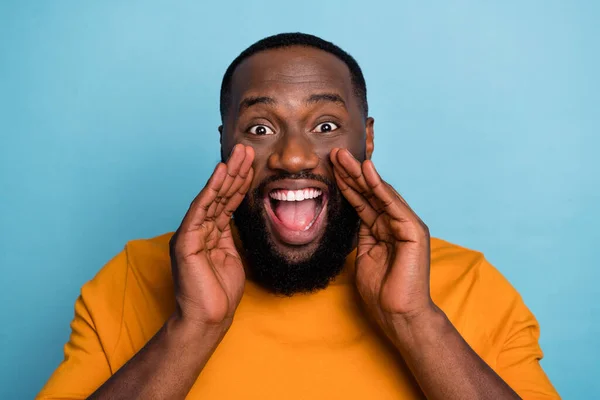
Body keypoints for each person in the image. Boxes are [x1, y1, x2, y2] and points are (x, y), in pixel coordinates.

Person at [37, 33, 559, 400]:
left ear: (368, 137)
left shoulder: (473, 285)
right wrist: (193, 327)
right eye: (259, 129)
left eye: (326, 124)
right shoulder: (132, 278)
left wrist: (415, 323)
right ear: (224, 140)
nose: (292, 157)